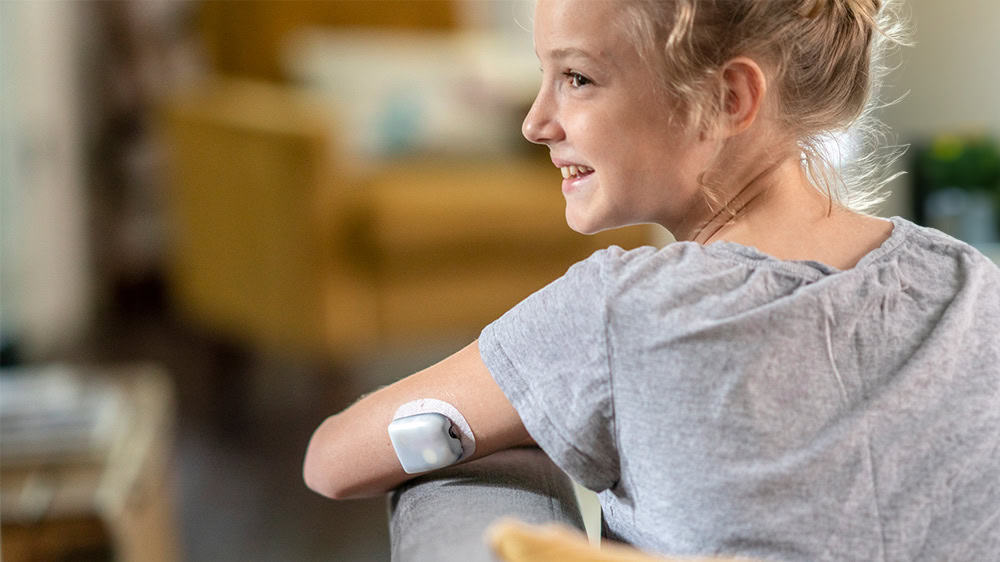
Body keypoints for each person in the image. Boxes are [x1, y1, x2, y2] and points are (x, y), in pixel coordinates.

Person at [304, 0, 1000, 559]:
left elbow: (331, 459)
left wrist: (524, 406)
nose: (535, 122)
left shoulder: (621, 311)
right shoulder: (971, 284)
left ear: (729, 98)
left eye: (577, 78)